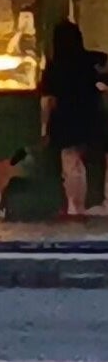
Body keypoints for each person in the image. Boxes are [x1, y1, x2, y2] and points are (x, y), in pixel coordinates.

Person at [41, 20, 108, 219]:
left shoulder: (54, 67)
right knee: (102, 159)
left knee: (71, 164)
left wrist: (44, 129)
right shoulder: (93, 60)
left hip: (66, 119)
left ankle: (74, 206)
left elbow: (48, 100)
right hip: (93, 115)